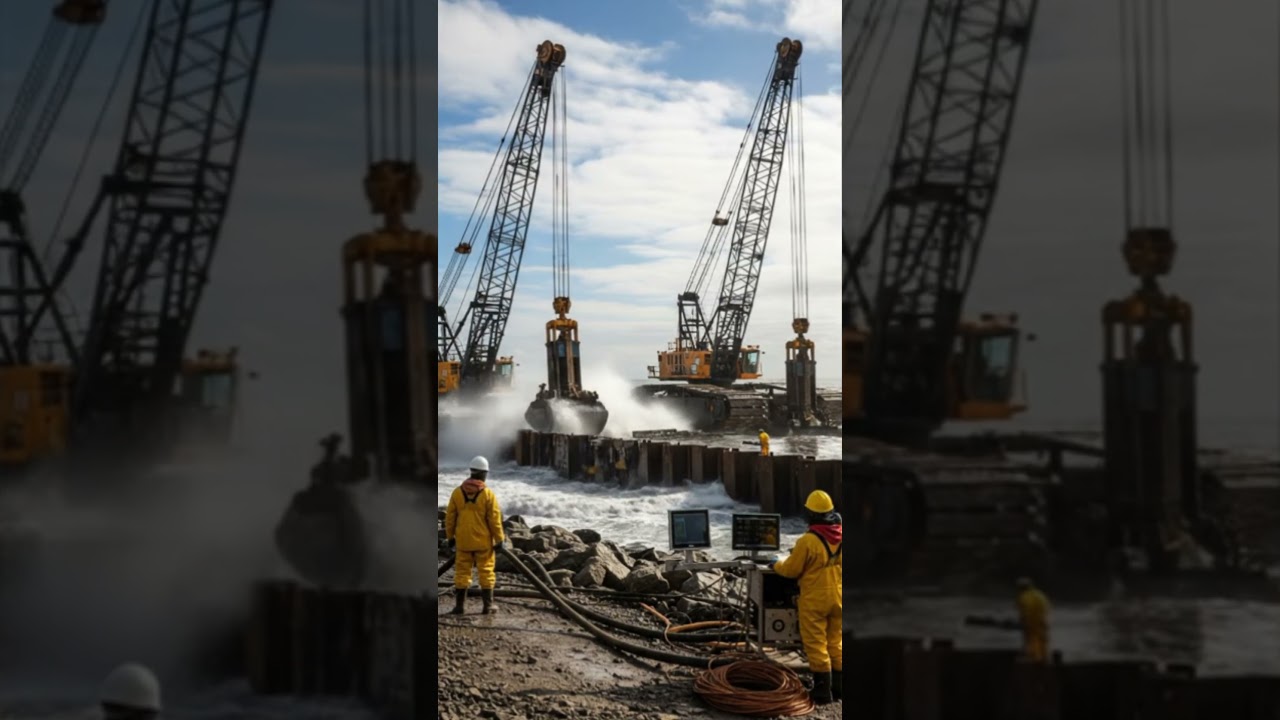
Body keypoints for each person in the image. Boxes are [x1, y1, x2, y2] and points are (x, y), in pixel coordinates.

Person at [771, 490, 842, 705]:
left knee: (816, 643)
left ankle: (822, 691)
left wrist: (775, 563)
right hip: (838, 597)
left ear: (811, 514)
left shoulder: (808, 541)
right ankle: (839, 688)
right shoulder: (841, 536)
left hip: (815, 600)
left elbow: (791, 570)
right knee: (836, 642)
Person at [444, 455, 506, 615]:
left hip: (463, 541)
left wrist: (450, 537)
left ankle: (459, 607)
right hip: (483, 542)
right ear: (484, 473)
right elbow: (494, 519)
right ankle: (488, 606)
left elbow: (450, 518)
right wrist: (500, 539)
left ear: (471, 471)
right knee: (486, 571)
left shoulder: (457, 493)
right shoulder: (488, 494)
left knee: (462, 572)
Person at [1016, 576, 1050, 662]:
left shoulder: (1023, 597)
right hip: (1042, 622)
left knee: (1031, 642)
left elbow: (1025, 611)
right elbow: (1046, 607)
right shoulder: (1040, 594)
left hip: (1031, 623)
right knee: (1043, 641)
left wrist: (1024, 622)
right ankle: (1044, 660)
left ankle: (1035, 661)